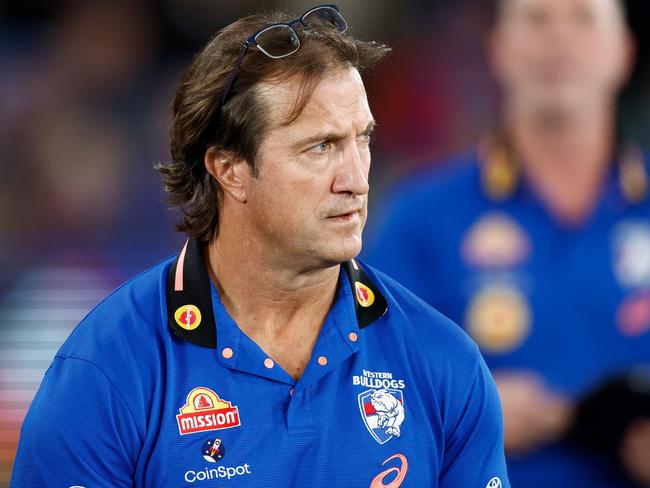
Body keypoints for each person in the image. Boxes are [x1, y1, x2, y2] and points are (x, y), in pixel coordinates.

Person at [11, 5, 510, 487]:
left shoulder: (443, 362)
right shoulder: (106, 371)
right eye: (321, 147)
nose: (357, 179)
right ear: (229, 170)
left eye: (363, 139)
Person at [366, 0, 650, 486]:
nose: (559, 39)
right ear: (498, 49)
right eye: (537, 18)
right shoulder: (421, 219)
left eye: (583, 18)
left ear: (623, 51)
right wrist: (468, 408)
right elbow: (361, 390)